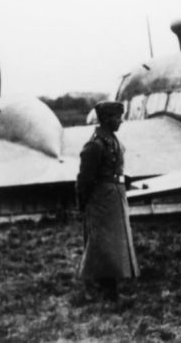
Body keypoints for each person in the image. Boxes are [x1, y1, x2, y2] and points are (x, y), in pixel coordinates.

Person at [76, 100, 140, 301]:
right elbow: (85, 178)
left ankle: (107, 290)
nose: (120, 121)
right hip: (102, 201)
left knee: (113, 245)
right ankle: (104, 291)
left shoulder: (111, 140)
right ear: (106, 119)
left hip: (114, 198)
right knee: (103, 245)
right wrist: (84, 204)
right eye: (117, 117)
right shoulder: (95, 145)